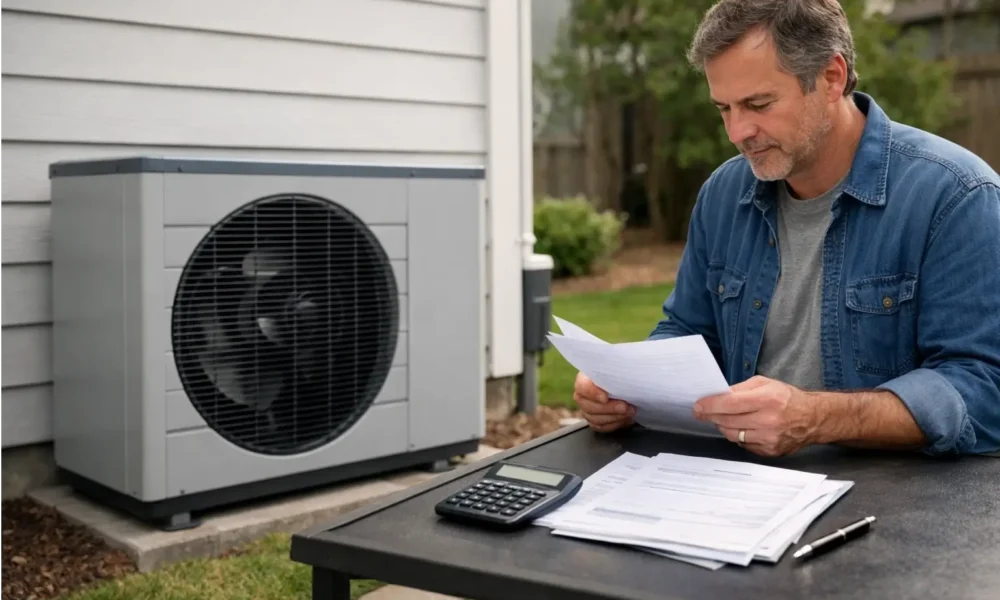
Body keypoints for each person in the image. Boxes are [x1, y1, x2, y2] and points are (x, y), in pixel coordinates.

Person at [573, 0, 1000, 457]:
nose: (738, 132)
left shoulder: (956, 196)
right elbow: (688, 332)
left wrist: (815, 417)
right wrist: (624, 385)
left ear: (831, 77)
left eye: (758, 104)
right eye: (724, 108)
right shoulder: (723, 193)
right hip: (739, 486)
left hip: (898, 499)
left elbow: (983, 390)